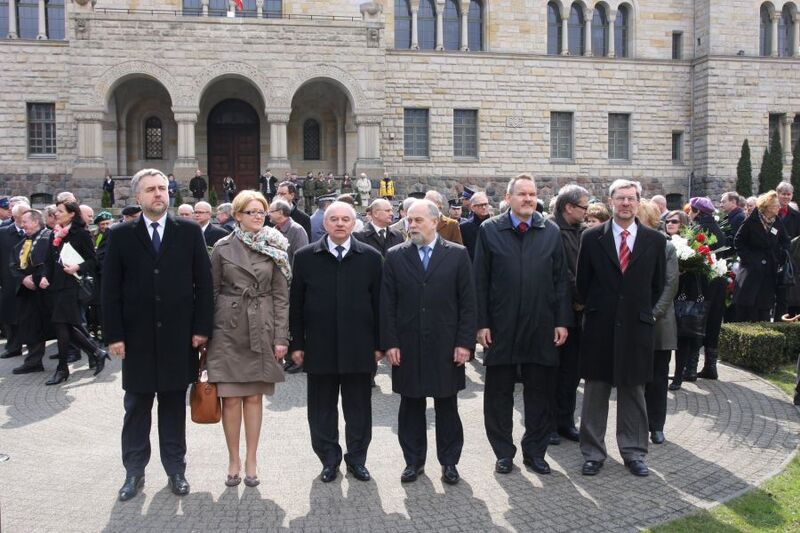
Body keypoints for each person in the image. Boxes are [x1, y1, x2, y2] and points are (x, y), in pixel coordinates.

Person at [103, 168, 214, 502]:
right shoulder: (121, 235)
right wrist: (114, 335)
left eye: (163, 189)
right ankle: (134, 471)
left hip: (178, 337)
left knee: (172, 405)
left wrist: (201, 328)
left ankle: (175, 469)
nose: (158, 194)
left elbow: (204, 284)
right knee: (137, 405)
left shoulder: (189, 231)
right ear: (138, 196)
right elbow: (110, 290)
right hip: (135, 338)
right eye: (151, 189)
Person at [474, 174, 570, 476]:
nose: (528, 199)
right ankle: (503, 453)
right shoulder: (490, 230)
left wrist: (561, 321)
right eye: (522, 194)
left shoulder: (550, 231)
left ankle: (535, 452)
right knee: (498, 395)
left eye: (532, 194)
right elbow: (480, 281)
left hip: (541, 326)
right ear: (508, 197)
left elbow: (561, 281)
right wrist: (482, 323)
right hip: (500, 328)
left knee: (539, 395)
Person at [381, 199, 476, 485]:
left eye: (418, 220)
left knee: (447, 406)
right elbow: (387, 304)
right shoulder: (395, 255)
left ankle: (449, 463)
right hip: (408, 345)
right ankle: (413, 462)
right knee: (410, 406)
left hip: (446, 345)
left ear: (435, 222)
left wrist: (464, 343)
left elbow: (468, 303)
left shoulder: (458, 255)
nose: (412, 226)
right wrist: (390, 343)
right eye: (409, 221)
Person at [576, 179, 666, 478]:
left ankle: (634, 452)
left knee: (633, 392)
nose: (626, 203)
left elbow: (657, 286)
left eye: (631, 198)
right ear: (610, 201)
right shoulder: (591, 238)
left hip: (636, 328)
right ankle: (592, 452)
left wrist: (640, 313)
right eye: (620, 198)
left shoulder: (654, 241)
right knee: (595, 391)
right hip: (600, 326)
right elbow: (582, 284)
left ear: (639, 202)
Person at [289, 201, 383, 483]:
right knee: (321, 410)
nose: (340, 224)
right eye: (334, 219)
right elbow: (296, 304)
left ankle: (357, 460)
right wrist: (296, 344)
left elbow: (380, 304)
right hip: (319, 346)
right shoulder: (305, 257)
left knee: (359, 409)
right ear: (324, 224)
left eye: (345, 219)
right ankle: (329, 460)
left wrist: (380, 343)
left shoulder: (370, 256)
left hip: (360, 347)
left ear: (354, 224)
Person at [207, 190, 291, 488]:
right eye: (251, 212)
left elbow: (282, 296)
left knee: (254, 397)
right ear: (237, 216)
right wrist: (208, 333)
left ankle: (252, 459)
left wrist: (281, 336)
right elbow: (211, 291)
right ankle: (233, 459)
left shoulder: (276, 245)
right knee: (230, 399)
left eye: (262, 211)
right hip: (227, 329)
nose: (258, 217)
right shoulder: (222, 247)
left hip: (262, 325)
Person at [41, 200, 110, 385]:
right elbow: (48, 260)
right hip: (56, 286)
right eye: (56, 211)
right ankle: (96, 352)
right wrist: (44, 276)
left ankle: (62, 369)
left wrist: (77, 267)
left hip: (72, 285)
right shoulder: (55, 233)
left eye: (60, 211)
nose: (56, 214)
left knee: (61, 325)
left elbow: (93, 260)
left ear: (72, 214)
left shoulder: (80, 233)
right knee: (68, 326)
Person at [549, 184, 589, 445]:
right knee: (552, 372)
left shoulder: (581, 232)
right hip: (555, 316)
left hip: (578, 316)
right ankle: (549, 424)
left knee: (572, 373)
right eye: (584, 207)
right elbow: (562, 274)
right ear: (569, 207)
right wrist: (583, 296)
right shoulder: (550, 231)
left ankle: (566, 421)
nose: (587, 212)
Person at [639, 201, 678, 444]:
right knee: (636, 378)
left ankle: (657, 425)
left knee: (658, 377)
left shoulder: (666, 247)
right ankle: (638, 424)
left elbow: (670, 284)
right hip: (634, 321)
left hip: (659, 323)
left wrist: (653, 314)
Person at [733, 190, 790, 322]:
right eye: (776, 205)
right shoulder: (751, 221)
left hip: (769, 271)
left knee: (764, 308)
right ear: (767, 207)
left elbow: (785, 241)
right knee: (747, 307)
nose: (779, 207)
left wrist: (780, 255)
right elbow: (738, 242)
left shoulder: (777, 221)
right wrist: (750, 259)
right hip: (750, 271)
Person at [10, 209, 52, 374]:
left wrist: (35, 278)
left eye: (25, 221)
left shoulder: (48, 238)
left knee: (64, 325)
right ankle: (33, 361)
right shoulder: (24, 242)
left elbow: (49, 263)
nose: (22, 225)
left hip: (43, 290)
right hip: (27, 292)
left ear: (36, 221)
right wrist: (23, 279)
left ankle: (91, 352)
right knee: (30, 326)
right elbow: (13, 264)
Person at [0, 203, 27, 359]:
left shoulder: (35, 233)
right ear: (15, 216)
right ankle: (13, 346)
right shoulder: (3, 233)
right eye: (24, 213)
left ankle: (32, 345)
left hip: (28, 280)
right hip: (8, 280)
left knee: (29, 314)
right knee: (10, 314)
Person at [268, 198, 309, 265]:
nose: (268, 214)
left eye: (270, 211)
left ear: (280, 213)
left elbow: (303, 259)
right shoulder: (273, 230)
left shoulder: (297, 230)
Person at [459, 191, 491, 260]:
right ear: (473, 207)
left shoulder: (495, 225)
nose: (484, 207)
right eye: (481, 205)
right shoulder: (464, 227)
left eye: (486, 204)